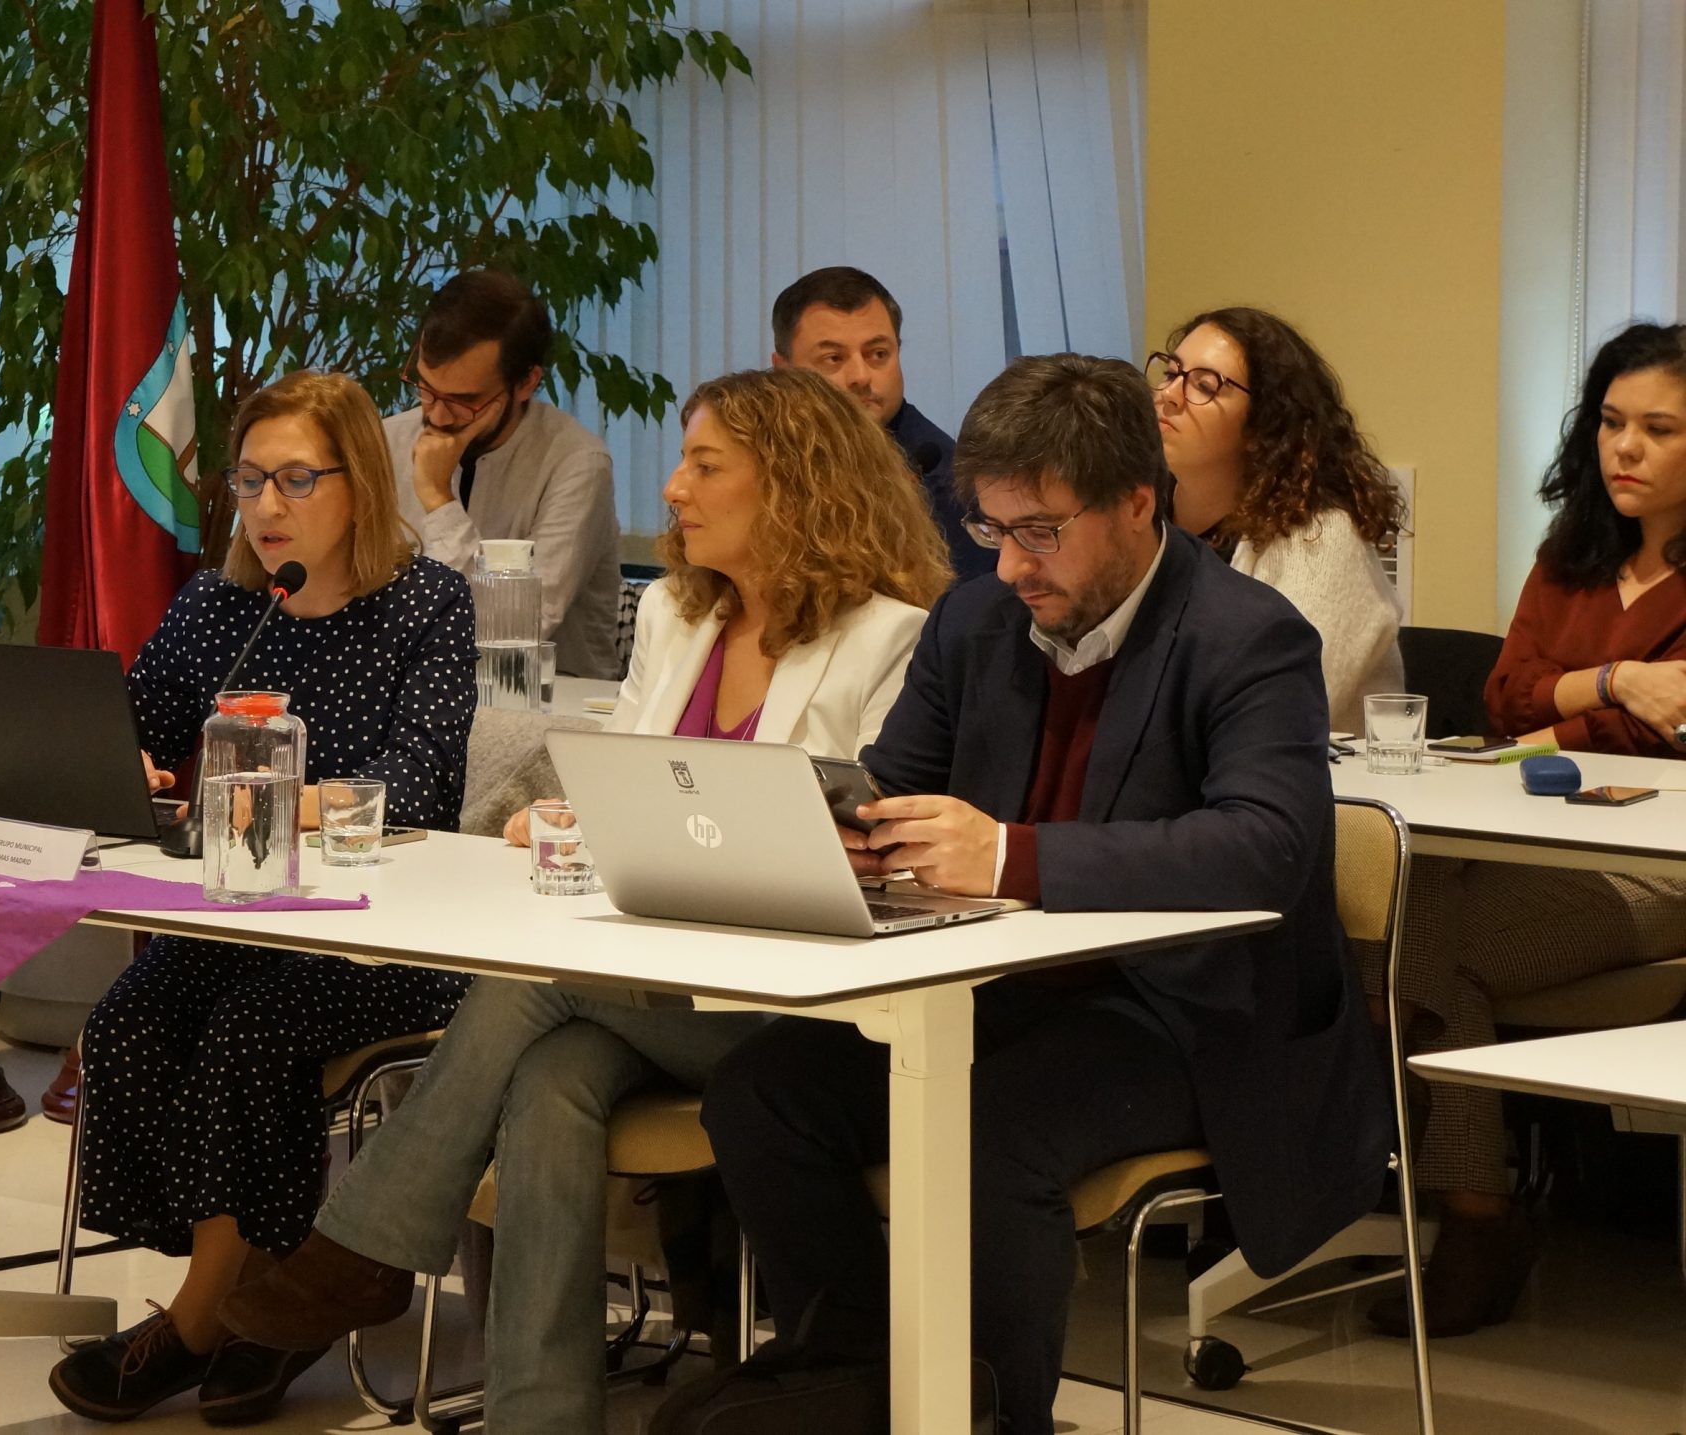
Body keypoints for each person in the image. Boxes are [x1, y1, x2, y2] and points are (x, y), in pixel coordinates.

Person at [656, 355, 1389, 1435]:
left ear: (1137, 502)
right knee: (761, 1091)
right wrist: (842, 832)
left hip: (1184, 1012)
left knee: (984, 1135)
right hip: (1002, 987)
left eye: (1039, 531)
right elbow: (890, 782)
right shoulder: (975, 621)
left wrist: (1010, 857)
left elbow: (1266, 846)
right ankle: (865, 1376)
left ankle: (998, 1417)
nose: (1008, 566)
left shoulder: (1246, 635)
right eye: (992, 529)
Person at [214, 366, 953, 1435]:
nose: (673, 489)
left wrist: (623, 827)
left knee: (533, 988)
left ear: (794, 484)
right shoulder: (675, 619)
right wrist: (574, 816)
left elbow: (855, 844)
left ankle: (366, 1243)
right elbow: (634, 794)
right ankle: (539, 1418)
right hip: (643, 984)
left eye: (704, 465)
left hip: (790, 1006)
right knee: (551, 1078)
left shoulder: (892, 636)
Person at [49, 370, 478, 1425]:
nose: (266, 506)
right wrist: (127, 764)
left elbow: (420, 783)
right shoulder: (221, 607)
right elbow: (135, 727)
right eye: (247, 481)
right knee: (130, 1020)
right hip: (243, 919)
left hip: (382, 937)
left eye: (294, 479)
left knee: (249, 1030)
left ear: (358, 483)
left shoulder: (426, 605)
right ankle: (263, 1298)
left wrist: (284, 796)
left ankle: (200, 1321)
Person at [1365, 322, 1686, 1339]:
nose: (1624, 448)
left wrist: (1569, 709)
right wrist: (1616, 684)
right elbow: (1503, 697)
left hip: (1657, 872)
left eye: (1659, 429)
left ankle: (1472, 1215)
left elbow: (1662, 729)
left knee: (1423, 953)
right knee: (1419, 911)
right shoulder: (1570, 555)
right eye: (1611, 422)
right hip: (1526, 847)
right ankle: (1473, 1212)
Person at [1152, 306, 1406, 732]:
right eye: (1171, 373)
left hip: (1309, 770)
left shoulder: (1318, 537)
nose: (1169, 395)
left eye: (1204, 385)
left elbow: (1280, 712)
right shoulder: (1139, 515)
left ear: (1263, 425)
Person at [388, 268, 623, 678]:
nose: (436, 415)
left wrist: (438, 500)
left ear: (526, 383)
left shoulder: (578, 463)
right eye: (425, 388)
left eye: (464, 400)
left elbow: (516, 633)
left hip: (553, 699)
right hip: (416, 691)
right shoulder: (387, 440)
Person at [770, 265, 989, 581]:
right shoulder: (761, 457)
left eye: (878, 354)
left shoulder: (947, 485)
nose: (860, 376)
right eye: (834, 358)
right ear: (783, 370)